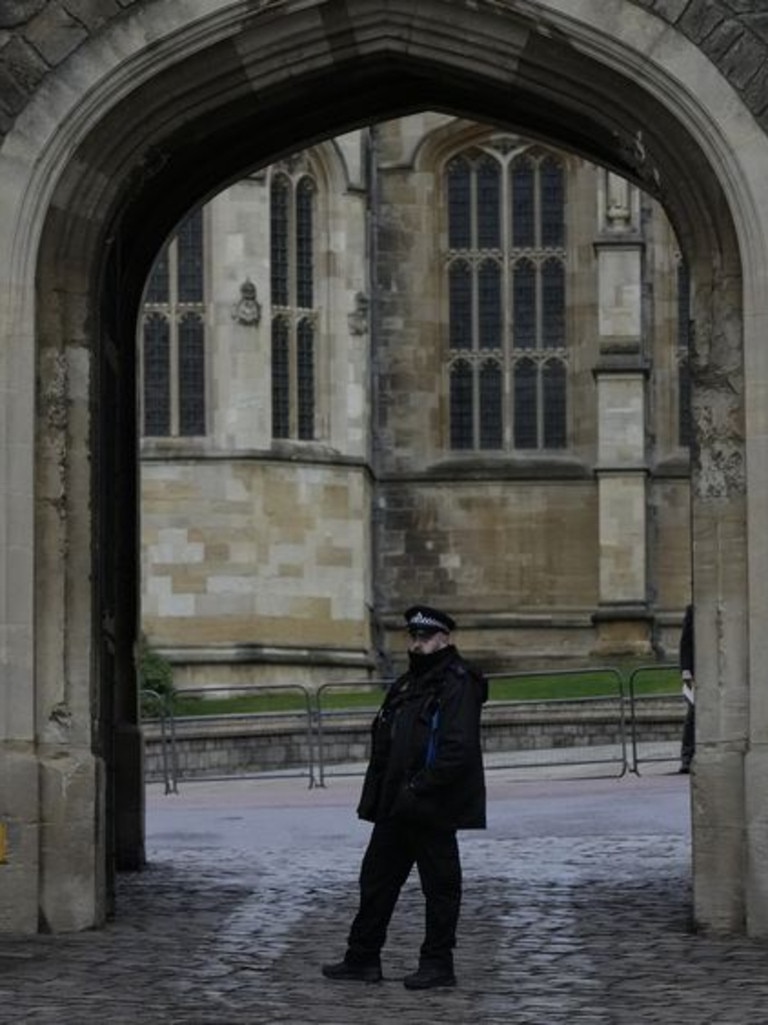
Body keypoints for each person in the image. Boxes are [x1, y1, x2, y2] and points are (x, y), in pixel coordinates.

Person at [322, 604, 487, 990]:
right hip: (397, 806)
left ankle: (437, 964)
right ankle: (362, 957)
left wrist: (419, 788)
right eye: (414, 636)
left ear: (445, 639)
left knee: (440, 888)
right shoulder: (407, 684)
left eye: (426, 637)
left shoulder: (458, 682)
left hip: (431, 807)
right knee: (376, 881)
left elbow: (457, 749)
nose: (417, 644)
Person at [679, 603, 695, 773]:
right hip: (697, 674)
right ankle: (687, 757)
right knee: (693, 714)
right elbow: (686, 641)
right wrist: (686, 671)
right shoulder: (692, 609)